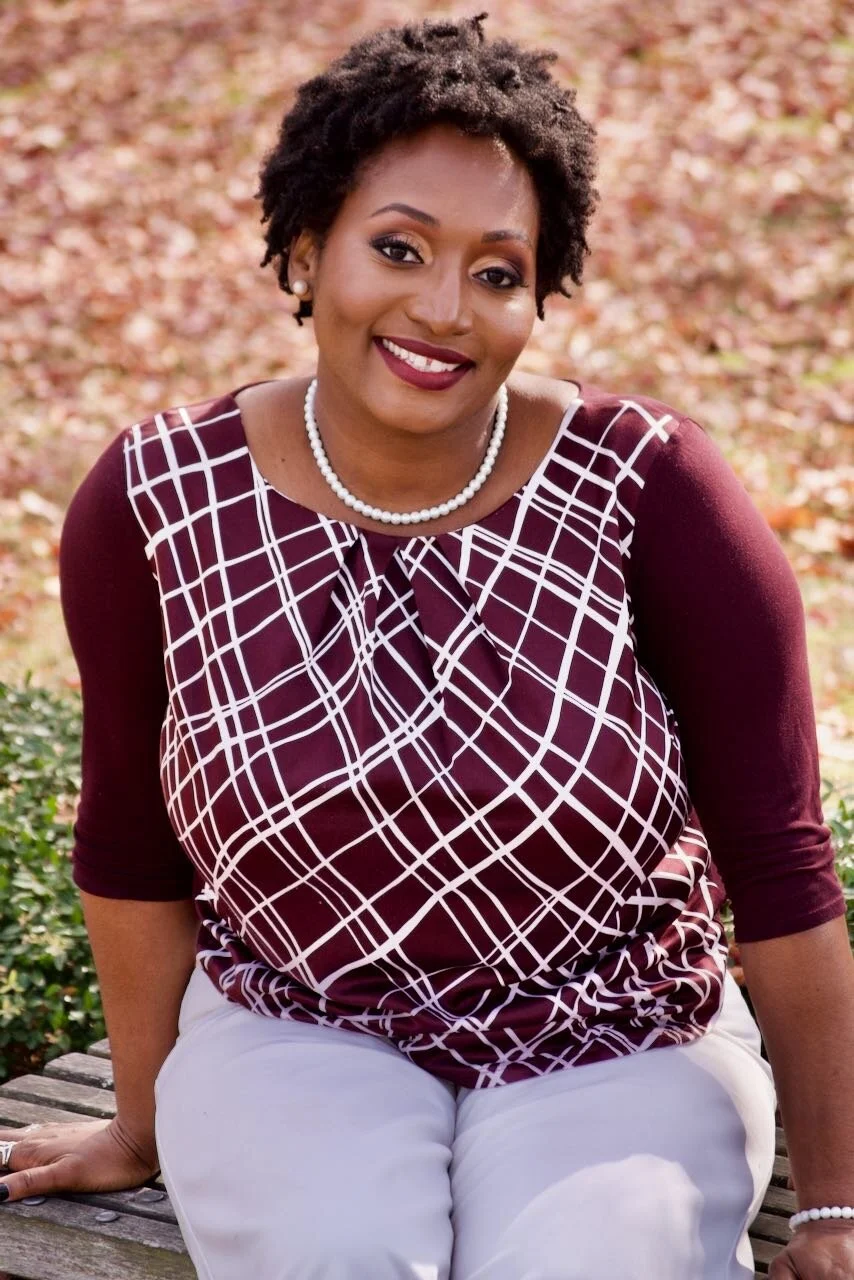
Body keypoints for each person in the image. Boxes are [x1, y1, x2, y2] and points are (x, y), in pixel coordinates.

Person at [1, 13, 852, 1279]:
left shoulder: (648, 489)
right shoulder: (156, 496)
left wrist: (833, 1204)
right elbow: (131, 836)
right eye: (396, 247)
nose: (443, 309)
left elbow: (778, 862)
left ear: (538, 296)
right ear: (304, 249)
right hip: (293, 1024)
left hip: (620, 1033)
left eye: (497, 271)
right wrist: (145, 1115)